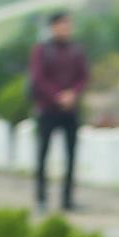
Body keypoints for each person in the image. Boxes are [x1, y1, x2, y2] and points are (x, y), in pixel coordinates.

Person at [29, 11, 88, 213]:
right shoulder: (42, 50)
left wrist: (73, 94)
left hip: (70, 111)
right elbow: (38, 78)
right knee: (43, 155)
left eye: (68, 25)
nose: (66, 29)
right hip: (48, 110)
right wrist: (57, 96)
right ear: (53, 27)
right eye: (62, 25)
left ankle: (68, 199)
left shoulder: (76, 50)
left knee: (71, 156)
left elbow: (83, 76)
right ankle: (41, 198)